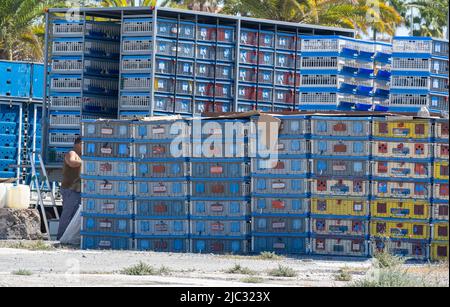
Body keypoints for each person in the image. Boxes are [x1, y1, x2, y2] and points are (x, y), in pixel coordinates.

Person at [57, 137, 82, 240]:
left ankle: (69, 238)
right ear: (78, 144)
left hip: (77, 189)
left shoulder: (81, 156)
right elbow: (71, 162)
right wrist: (86, 162)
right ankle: (61, 237)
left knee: (74, 215)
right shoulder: (72, 153)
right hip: (70, 188)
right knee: (67, 214)